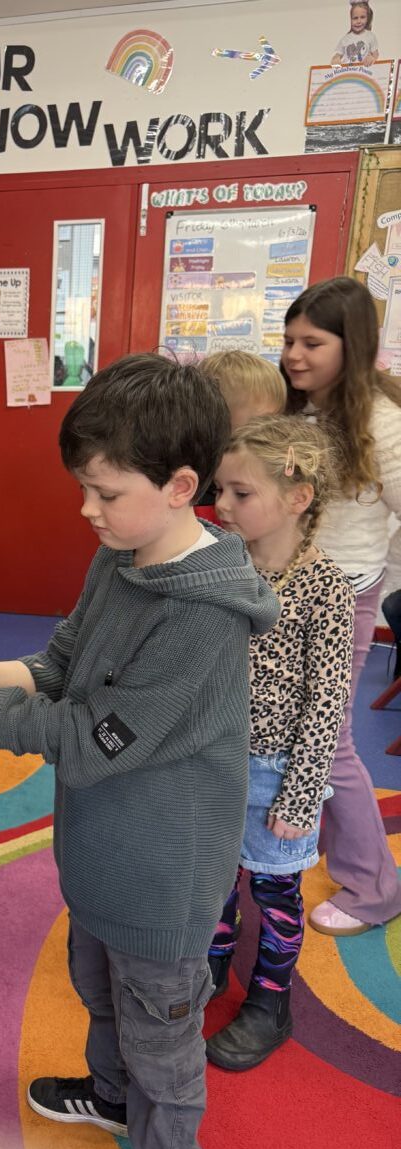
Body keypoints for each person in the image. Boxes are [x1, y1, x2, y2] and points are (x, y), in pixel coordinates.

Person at [0, 354, 278, 1149]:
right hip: (104, 852)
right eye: (84, 489)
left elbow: (88, 736)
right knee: (99, 990)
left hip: (163, 876)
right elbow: (61, 664)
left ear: (180, 486)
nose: (86, 510)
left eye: (104, 493)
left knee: (159, 1030)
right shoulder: (122, 555)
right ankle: (111, 1099)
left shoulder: (202, 617)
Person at [207, 417, 354, 1071]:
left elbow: (326, 704)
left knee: (273, 892)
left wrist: (299, 796)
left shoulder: (325, 588)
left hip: (276, 773)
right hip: (212, 758)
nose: (221, 505)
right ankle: (212, 964)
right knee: (213, 877)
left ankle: (270, 999)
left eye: (240, 493)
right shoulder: (221, 564)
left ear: (297, 497)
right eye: (219, 490)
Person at [282, 275, 401, 936]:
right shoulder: (298, 411)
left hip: (343, 597)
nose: (294, 355)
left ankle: (374, 886)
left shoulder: (381, 423)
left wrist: (377, 574)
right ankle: (325, 844)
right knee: (289, 729)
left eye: (311, 343)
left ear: (349, 346)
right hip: (283, 592)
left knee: (326, 742)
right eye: (288, 341)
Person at [195, 349, 287, 522]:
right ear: (215, 421)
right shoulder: (191, 491)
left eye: (277, 420)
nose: (273, 432)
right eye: (261, 423)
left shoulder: (272, 471)